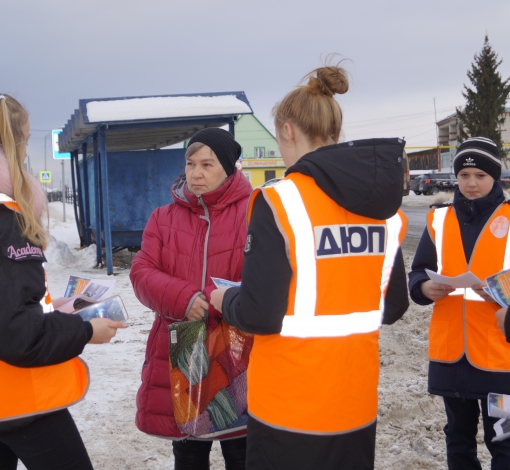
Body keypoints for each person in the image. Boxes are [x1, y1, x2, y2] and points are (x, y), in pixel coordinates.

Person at [210, 63, 409, 470]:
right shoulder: (384, 211)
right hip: (355, 405)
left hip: (289, 409)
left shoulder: (280, 201)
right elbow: (394, 307)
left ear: (287, 131)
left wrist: (223, 297)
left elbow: (259, 314)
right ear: (336, 133)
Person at [0, 93, 127, 470]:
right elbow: (17, 333)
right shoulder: (8, 221)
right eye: (23, 141)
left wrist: (49, 310)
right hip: (18, 400)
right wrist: (84, 330)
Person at [130, 127, 252, 470]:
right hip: (181, 354)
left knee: (241, 451)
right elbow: (141, 273)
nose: (196, 173)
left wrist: (218, 298)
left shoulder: (255, 213)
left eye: (207, 164)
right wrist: (184, 298)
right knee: (188, 453)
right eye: (190, 163)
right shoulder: (163, 218)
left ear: (229, 168)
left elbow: (267, 280)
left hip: (237, 353)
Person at [408, 136, 510, 469]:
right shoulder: (438, 220)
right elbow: (417, 274)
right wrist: (423, 288)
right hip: (452, 355)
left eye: (480, 175)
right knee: (458, 438)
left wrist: (498, 294)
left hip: (499, 357)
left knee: (504, 442)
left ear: (495, 177)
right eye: (465, 176)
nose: (471, 183)